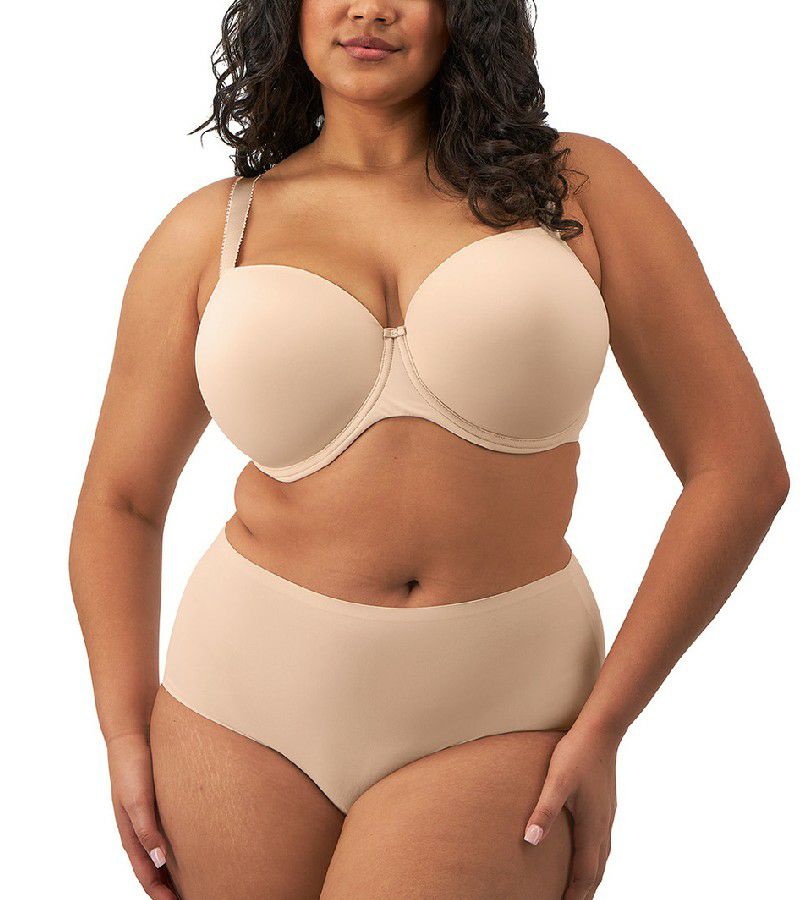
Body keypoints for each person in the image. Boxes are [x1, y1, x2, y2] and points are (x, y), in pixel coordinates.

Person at [68, 2, 789, 898]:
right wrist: (122, 730)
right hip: (238, 707)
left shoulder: (578, 189)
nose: (370, 8)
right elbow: (121, 501)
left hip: (501, 713)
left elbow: (739, 470)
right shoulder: (211, 231)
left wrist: (606, 723)